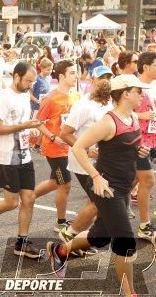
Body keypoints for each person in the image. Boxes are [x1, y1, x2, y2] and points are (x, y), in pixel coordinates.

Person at [47, 75, 151, 297]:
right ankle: (130, 293)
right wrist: (95, 176)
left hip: (122, 187)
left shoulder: (132, 117)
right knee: (125, 241)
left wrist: (139, 151)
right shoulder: (108, 122)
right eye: (138, 91)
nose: (141, 95)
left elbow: (128, 147)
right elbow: (78, 148)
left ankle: (60, 249)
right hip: (108, 188)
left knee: (101, 236)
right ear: (125, 93)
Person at [0, 62, 44, 258]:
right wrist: (23, 125)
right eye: (28, 81)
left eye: (33, 81)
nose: (30, 85)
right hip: (6, 157)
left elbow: (22, 124)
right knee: (10, 203)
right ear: (16, 76)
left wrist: (30, 130)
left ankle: (22, 243)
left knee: (29, 199)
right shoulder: (4, 97)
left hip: (25, 155)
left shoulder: (24, 94)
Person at [58, 65, 114, 255]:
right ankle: (69, 236)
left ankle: (80, 240)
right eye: (101, 77)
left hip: (103, 162)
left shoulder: (110, 102)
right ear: (92, 81)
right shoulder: (84, 105)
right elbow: (65, 133)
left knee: (99, 204)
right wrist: (87, 149)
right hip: (83, 163)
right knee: (97, 203)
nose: (105, 80)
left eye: (108, 77)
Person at [34, 60, 80, 231]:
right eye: (72, 73)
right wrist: (53, 137)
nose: (76, 76)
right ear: (61, 76)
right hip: (54, 148)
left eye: (76, 72)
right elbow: (37, 122)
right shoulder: (51, 98)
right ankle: (61, 223)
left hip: (69, 147)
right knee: (65, 184)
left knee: (55, 181)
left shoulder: (76, 96)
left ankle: (28, 197)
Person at [132, 51, 156, 241]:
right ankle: (144, 225)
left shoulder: (154, 85)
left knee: (128, 183)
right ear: (146, 66)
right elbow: (116, 111)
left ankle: (105, 209)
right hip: (135, 141)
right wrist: (140, 116)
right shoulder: (133, 86)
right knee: (147, 180)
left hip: (151, 138)